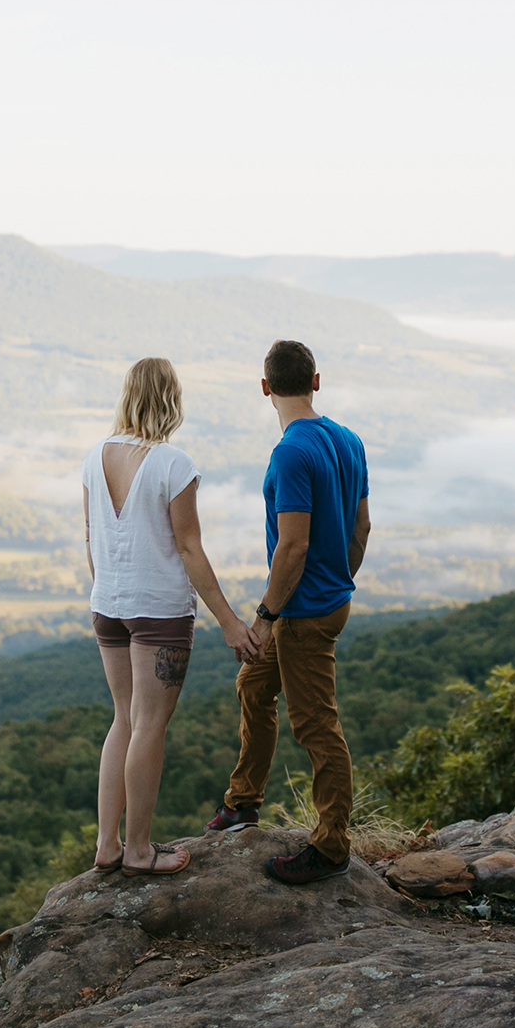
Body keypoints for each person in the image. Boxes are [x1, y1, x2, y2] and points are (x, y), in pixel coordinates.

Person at [205, 339, 371, 884]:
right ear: (316, 381)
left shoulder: (292, 452)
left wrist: (265, 616)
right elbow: (361, 527)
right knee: (254, 687)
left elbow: (292, 547)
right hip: (322, 601)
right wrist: (341, 579)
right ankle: (243, 802)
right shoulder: (348, 441)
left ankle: (330, 847)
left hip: (300, 614)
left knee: (318, 727)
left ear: (265, 387)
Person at [82, 356, 253, 877]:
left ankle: (108, 845)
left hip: (106, 604)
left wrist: (109, 587)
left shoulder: (96, 455)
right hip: (158, 613)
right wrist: (228, 620)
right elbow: (189, 549)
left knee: (124, 720)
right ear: (171, 400)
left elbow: (92, 540)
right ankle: (138, 851)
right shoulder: (173, 464)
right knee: (150, 726)